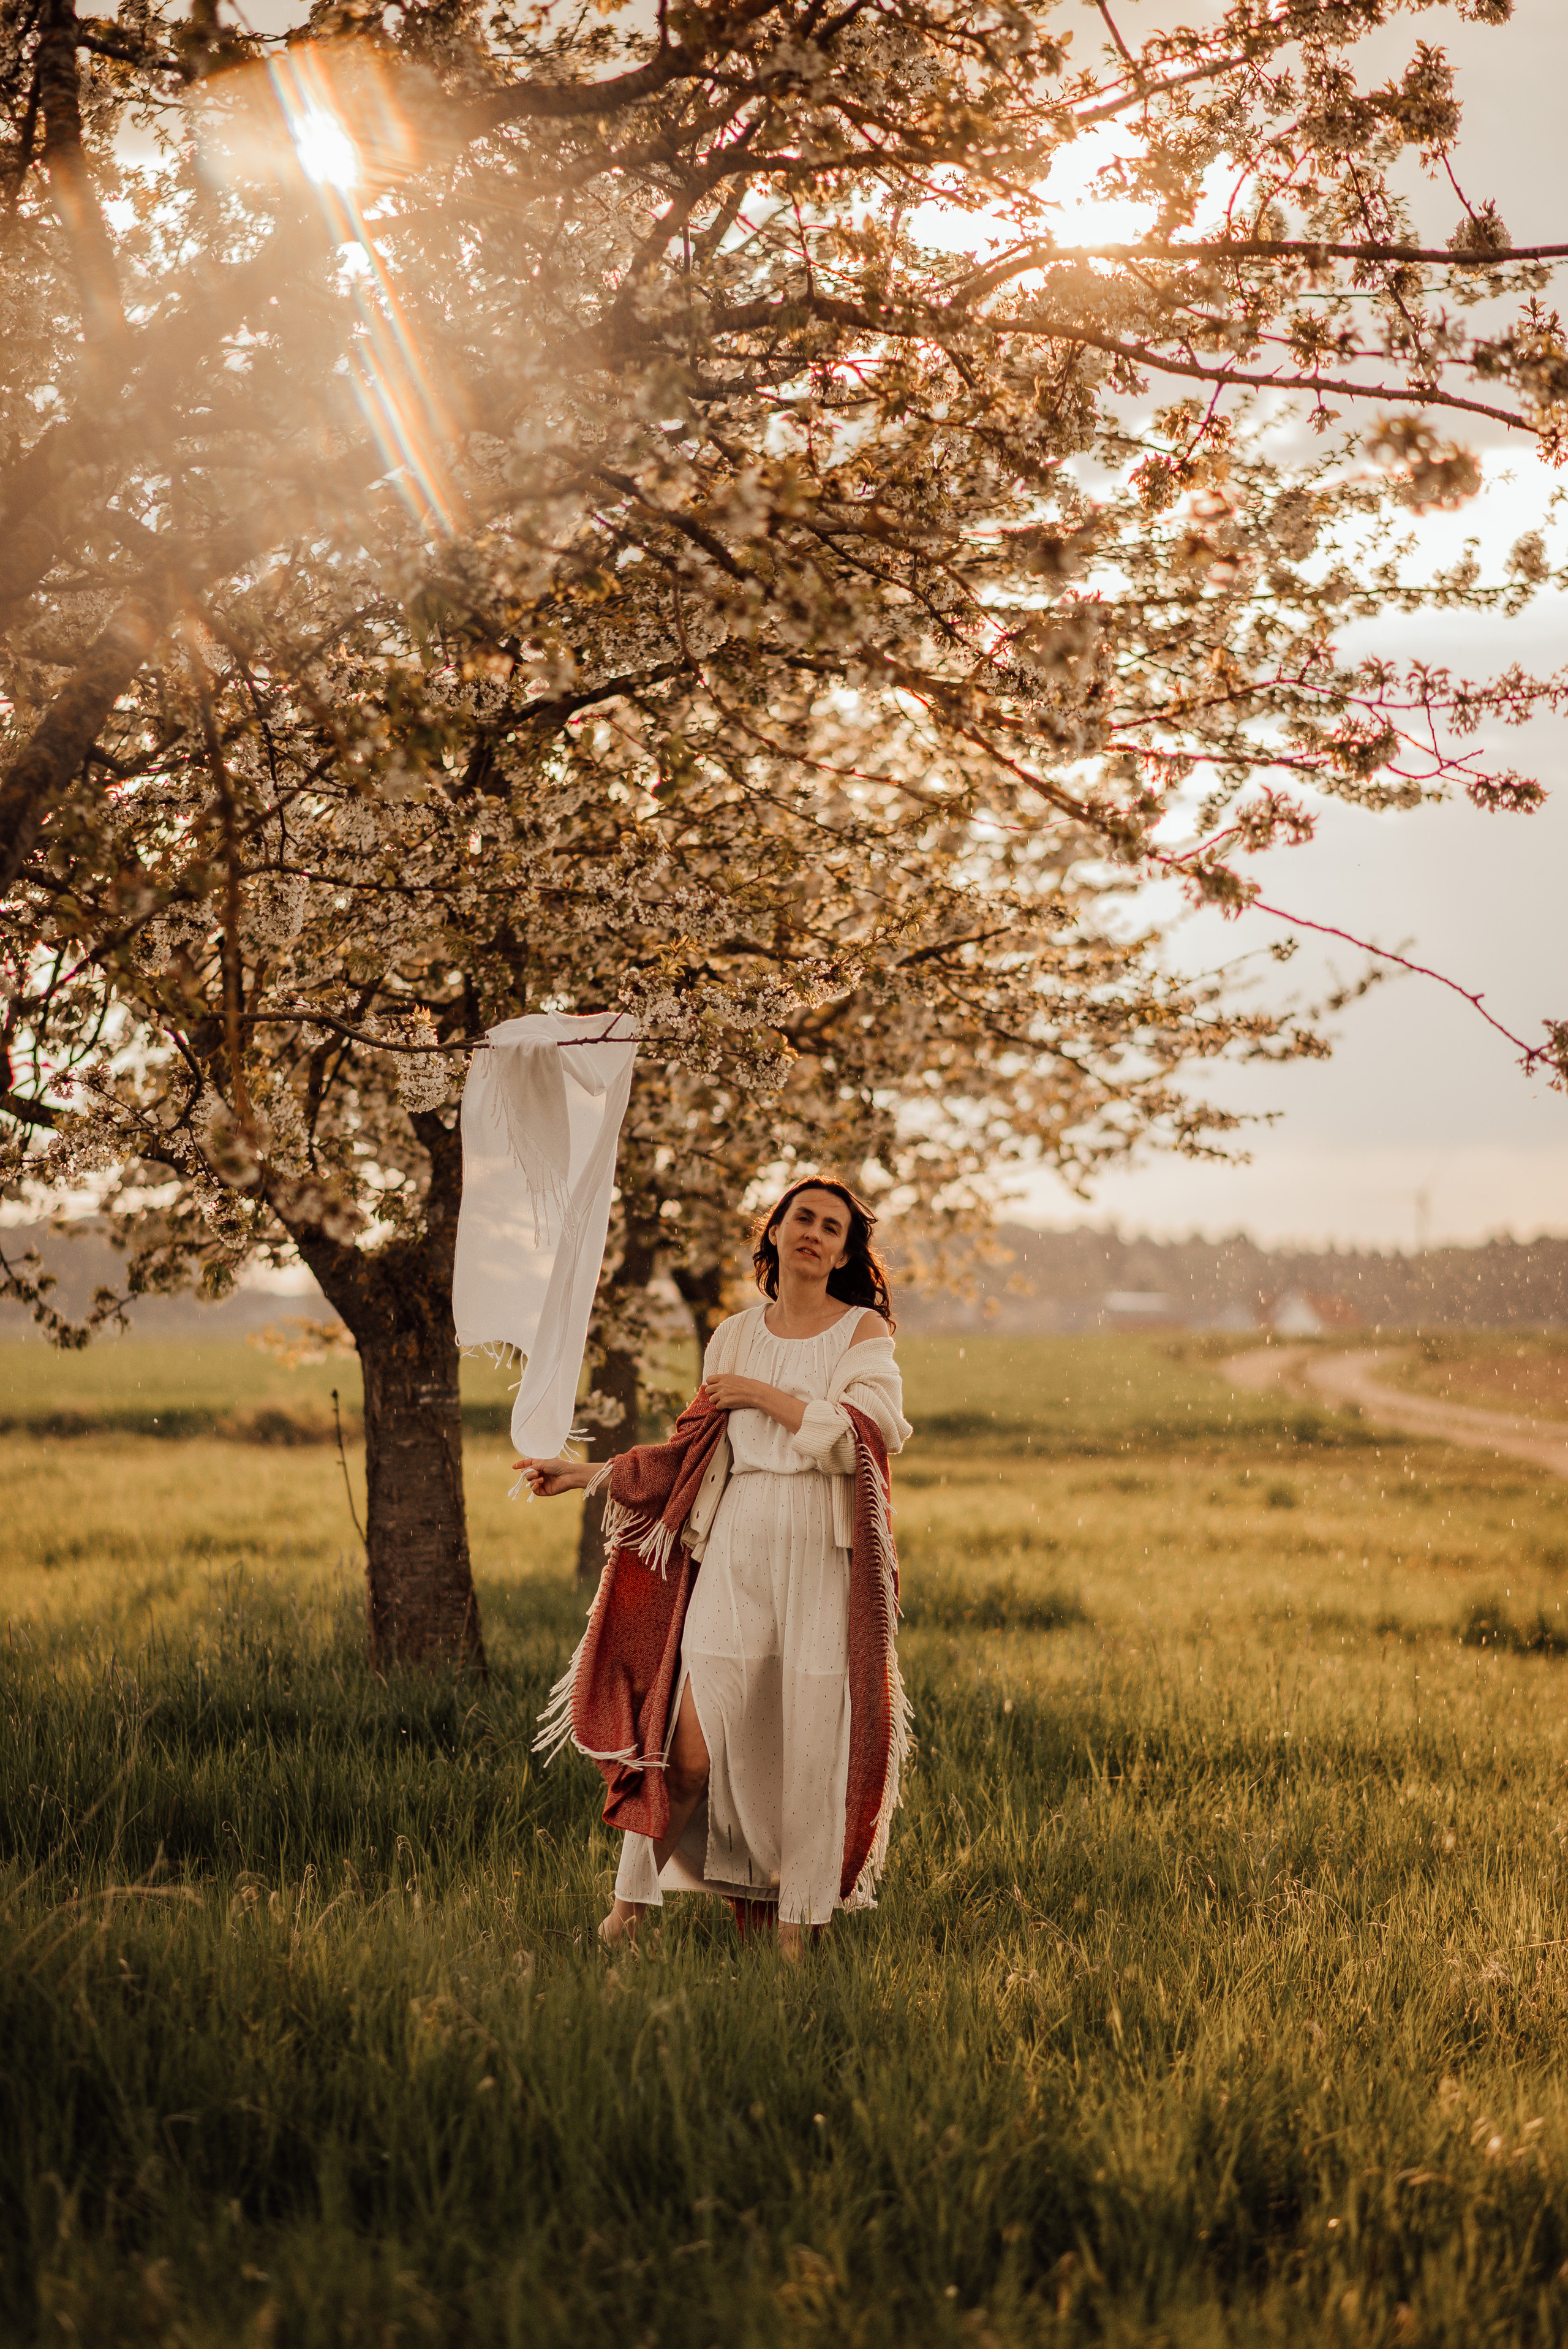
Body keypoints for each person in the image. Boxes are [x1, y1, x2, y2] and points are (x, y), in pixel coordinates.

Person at [517, 1177, 911, 1958]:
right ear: (775, 1231)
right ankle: (626, 1917)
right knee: (688, 1747)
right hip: (735, 1541)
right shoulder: (732, 1335)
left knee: (808, 1746)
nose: (815, 1234)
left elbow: (868, 1436)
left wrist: (765, 1396)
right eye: (803, 1217)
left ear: (844, 1251)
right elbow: (690, 1456)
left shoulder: (863, 1333)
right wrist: (585, 1474)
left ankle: (797, 1939)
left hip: (819, 1550)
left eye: (833, 1227)